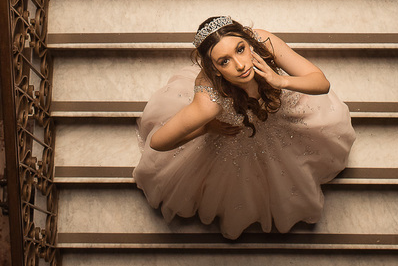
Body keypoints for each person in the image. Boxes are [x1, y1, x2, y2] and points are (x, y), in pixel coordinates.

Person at [133, 16, 356, 239]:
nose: (240, 65)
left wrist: (281, 81)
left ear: (248, 43)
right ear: (215, 70)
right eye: (224, 61)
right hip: (239, 137)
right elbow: (158, 142)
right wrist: (207, 128)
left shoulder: (263, 41)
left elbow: (321, 83)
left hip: (280, 113)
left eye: (240, 49)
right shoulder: (208, 103)